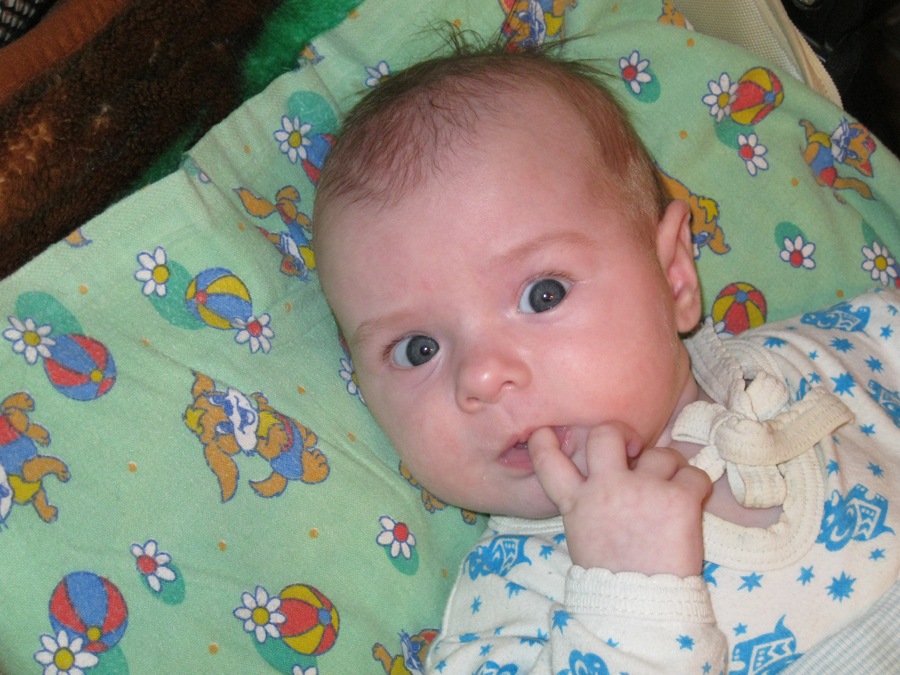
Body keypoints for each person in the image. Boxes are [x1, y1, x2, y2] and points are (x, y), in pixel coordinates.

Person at [312, 42, 900, 673]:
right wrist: (627, 596)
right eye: (418, 349)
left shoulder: (824, 362)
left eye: (543, 294)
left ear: (673, 278)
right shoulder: (511, 604)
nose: (480, 374)